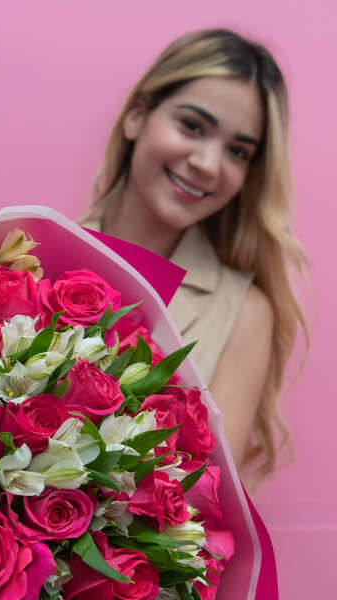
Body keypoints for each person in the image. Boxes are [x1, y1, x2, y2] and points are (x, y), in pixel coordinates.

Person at [80, 28, 307, 484]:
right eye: (192, 126)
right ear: (137, 116)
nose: (207, 163)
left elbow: (204, 496)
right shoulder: (30, 257)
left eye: (237, 151)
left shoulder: (244, 313)